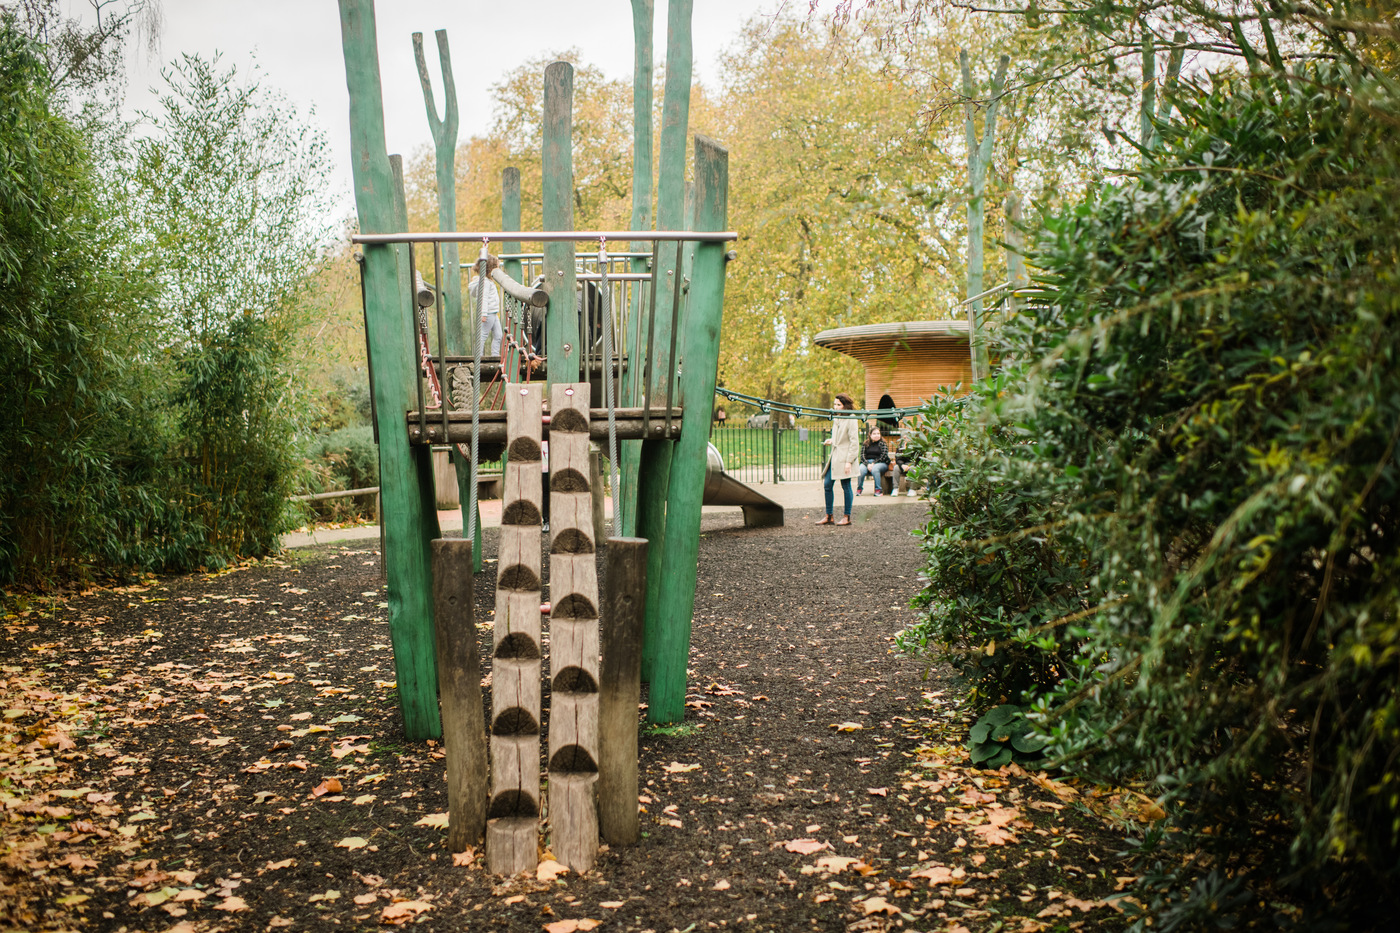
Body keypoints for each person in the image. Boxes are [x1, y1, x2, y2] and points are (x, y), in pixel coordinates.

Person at [816, 393, 859, 526]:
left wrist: (849, 462)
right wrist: (832, 440)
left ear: (845, 406)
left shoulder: (851, 419)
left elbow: (854, 442)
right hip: (835, 457)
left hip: (845, 458)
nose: (835, 407)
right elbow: (840, 438)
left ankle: (847, 516)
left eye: (838, 405)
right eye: (834, 404)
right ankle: (829, 516)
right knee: (827, 484)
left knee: (846, 486)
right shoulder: (837, 418)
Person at [471, 254, 502, 356]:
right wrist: (483, 313)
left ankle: (495, 355)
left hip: (493, 312)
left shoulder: (487, 282)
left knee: (498, 335)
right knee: (483, 335)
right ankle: (478, 356)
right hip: (488, 313)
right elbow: (483, 298)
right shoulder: (485, 282)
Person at [854, 426, 891, 496]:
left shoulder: (883, 444)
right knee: (861, 469)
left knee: (875, 469)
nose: (876, 435)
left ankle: (878, 490)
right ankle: (859, 489)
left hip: (881, 463)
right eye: (874, 434)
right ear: (870, 435)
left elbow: (884, 456)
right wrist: (868, 464)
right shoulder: (865, 444)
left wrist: (873, 463)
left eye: (878, 433)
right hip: (867, 463)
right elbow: (862, 456)